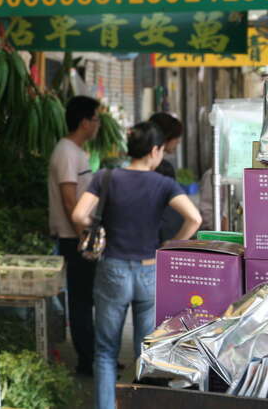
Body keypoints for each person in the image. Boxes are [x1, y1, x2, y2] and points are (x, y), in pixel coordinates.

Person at [71, 122, 201, 409]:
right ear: (155, 150)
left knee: (105, 351)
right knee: (146, 353)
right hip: (148, 270)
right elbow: (194, 218)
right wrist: (170, 245)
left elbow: (79, 214)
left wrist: (95, 229)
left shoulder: (106, 177)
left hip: (113, 269)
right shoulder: (164, 183)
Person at [48, 95, 101, 376]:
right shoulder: (67, 151)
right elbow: (70, 201)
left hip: (78, 235)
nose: (98, 125)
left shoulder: (76, 151)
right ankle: (87, 361)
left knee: (86, 298)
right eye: (95, 119)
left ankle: (92, 356)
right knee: (81, 300)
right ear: (84, 122)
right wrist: (85, 238)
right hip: (74, 237)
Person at [150, 112, 185, 244]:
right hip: (160, 238)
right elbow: (194, 218)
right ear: (166, 138)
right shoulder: (164, 168)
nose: (178, 141)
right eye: (177, 137)